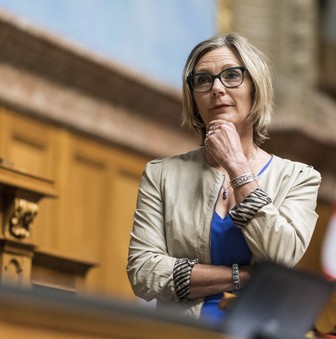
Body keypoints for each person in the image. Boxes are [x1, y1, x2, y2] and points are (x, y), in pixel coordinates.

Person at [126, 33, 321, 322]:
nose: (217, 88)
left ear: (256, 88)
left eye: (231, 75)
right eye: (203, 80)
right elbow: (143, 272)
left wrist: (237, 167)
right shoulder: (161, 174)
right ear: (194, 98)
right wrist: (242, 276)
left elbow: (281, 259)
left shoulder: (298, 177)